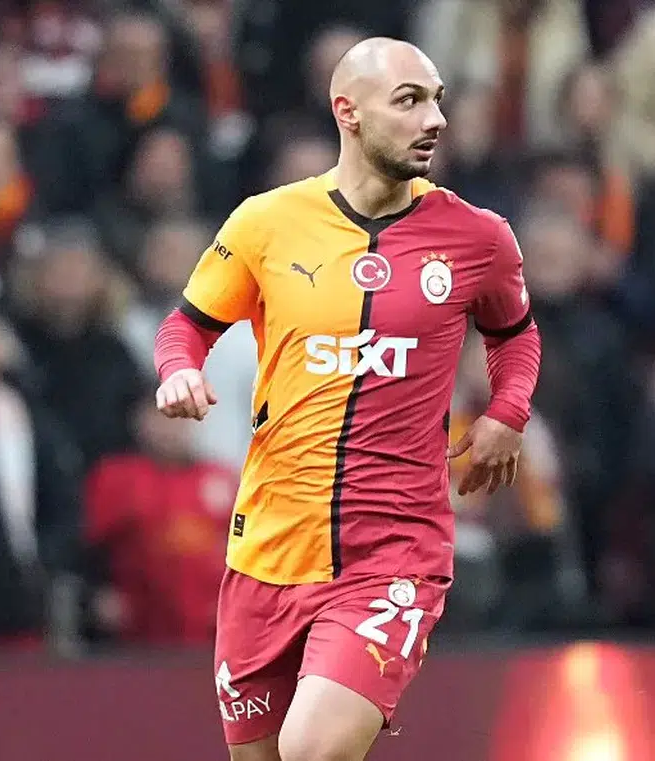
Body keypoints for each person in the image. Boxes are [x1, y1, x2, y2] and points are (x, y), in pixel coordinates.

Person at [151, 38, 542, 761]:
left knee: (310, 751)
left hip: (392, 552)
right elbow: (186, 326)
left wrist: (507, 413)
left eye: (437, 101)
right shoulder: (265, 223)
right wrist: (178, 371)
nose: (435, 120)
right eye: (409, 101)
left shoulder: (478, 237)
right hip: (268, 550)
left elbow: (515, 337)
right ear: (349, 112)